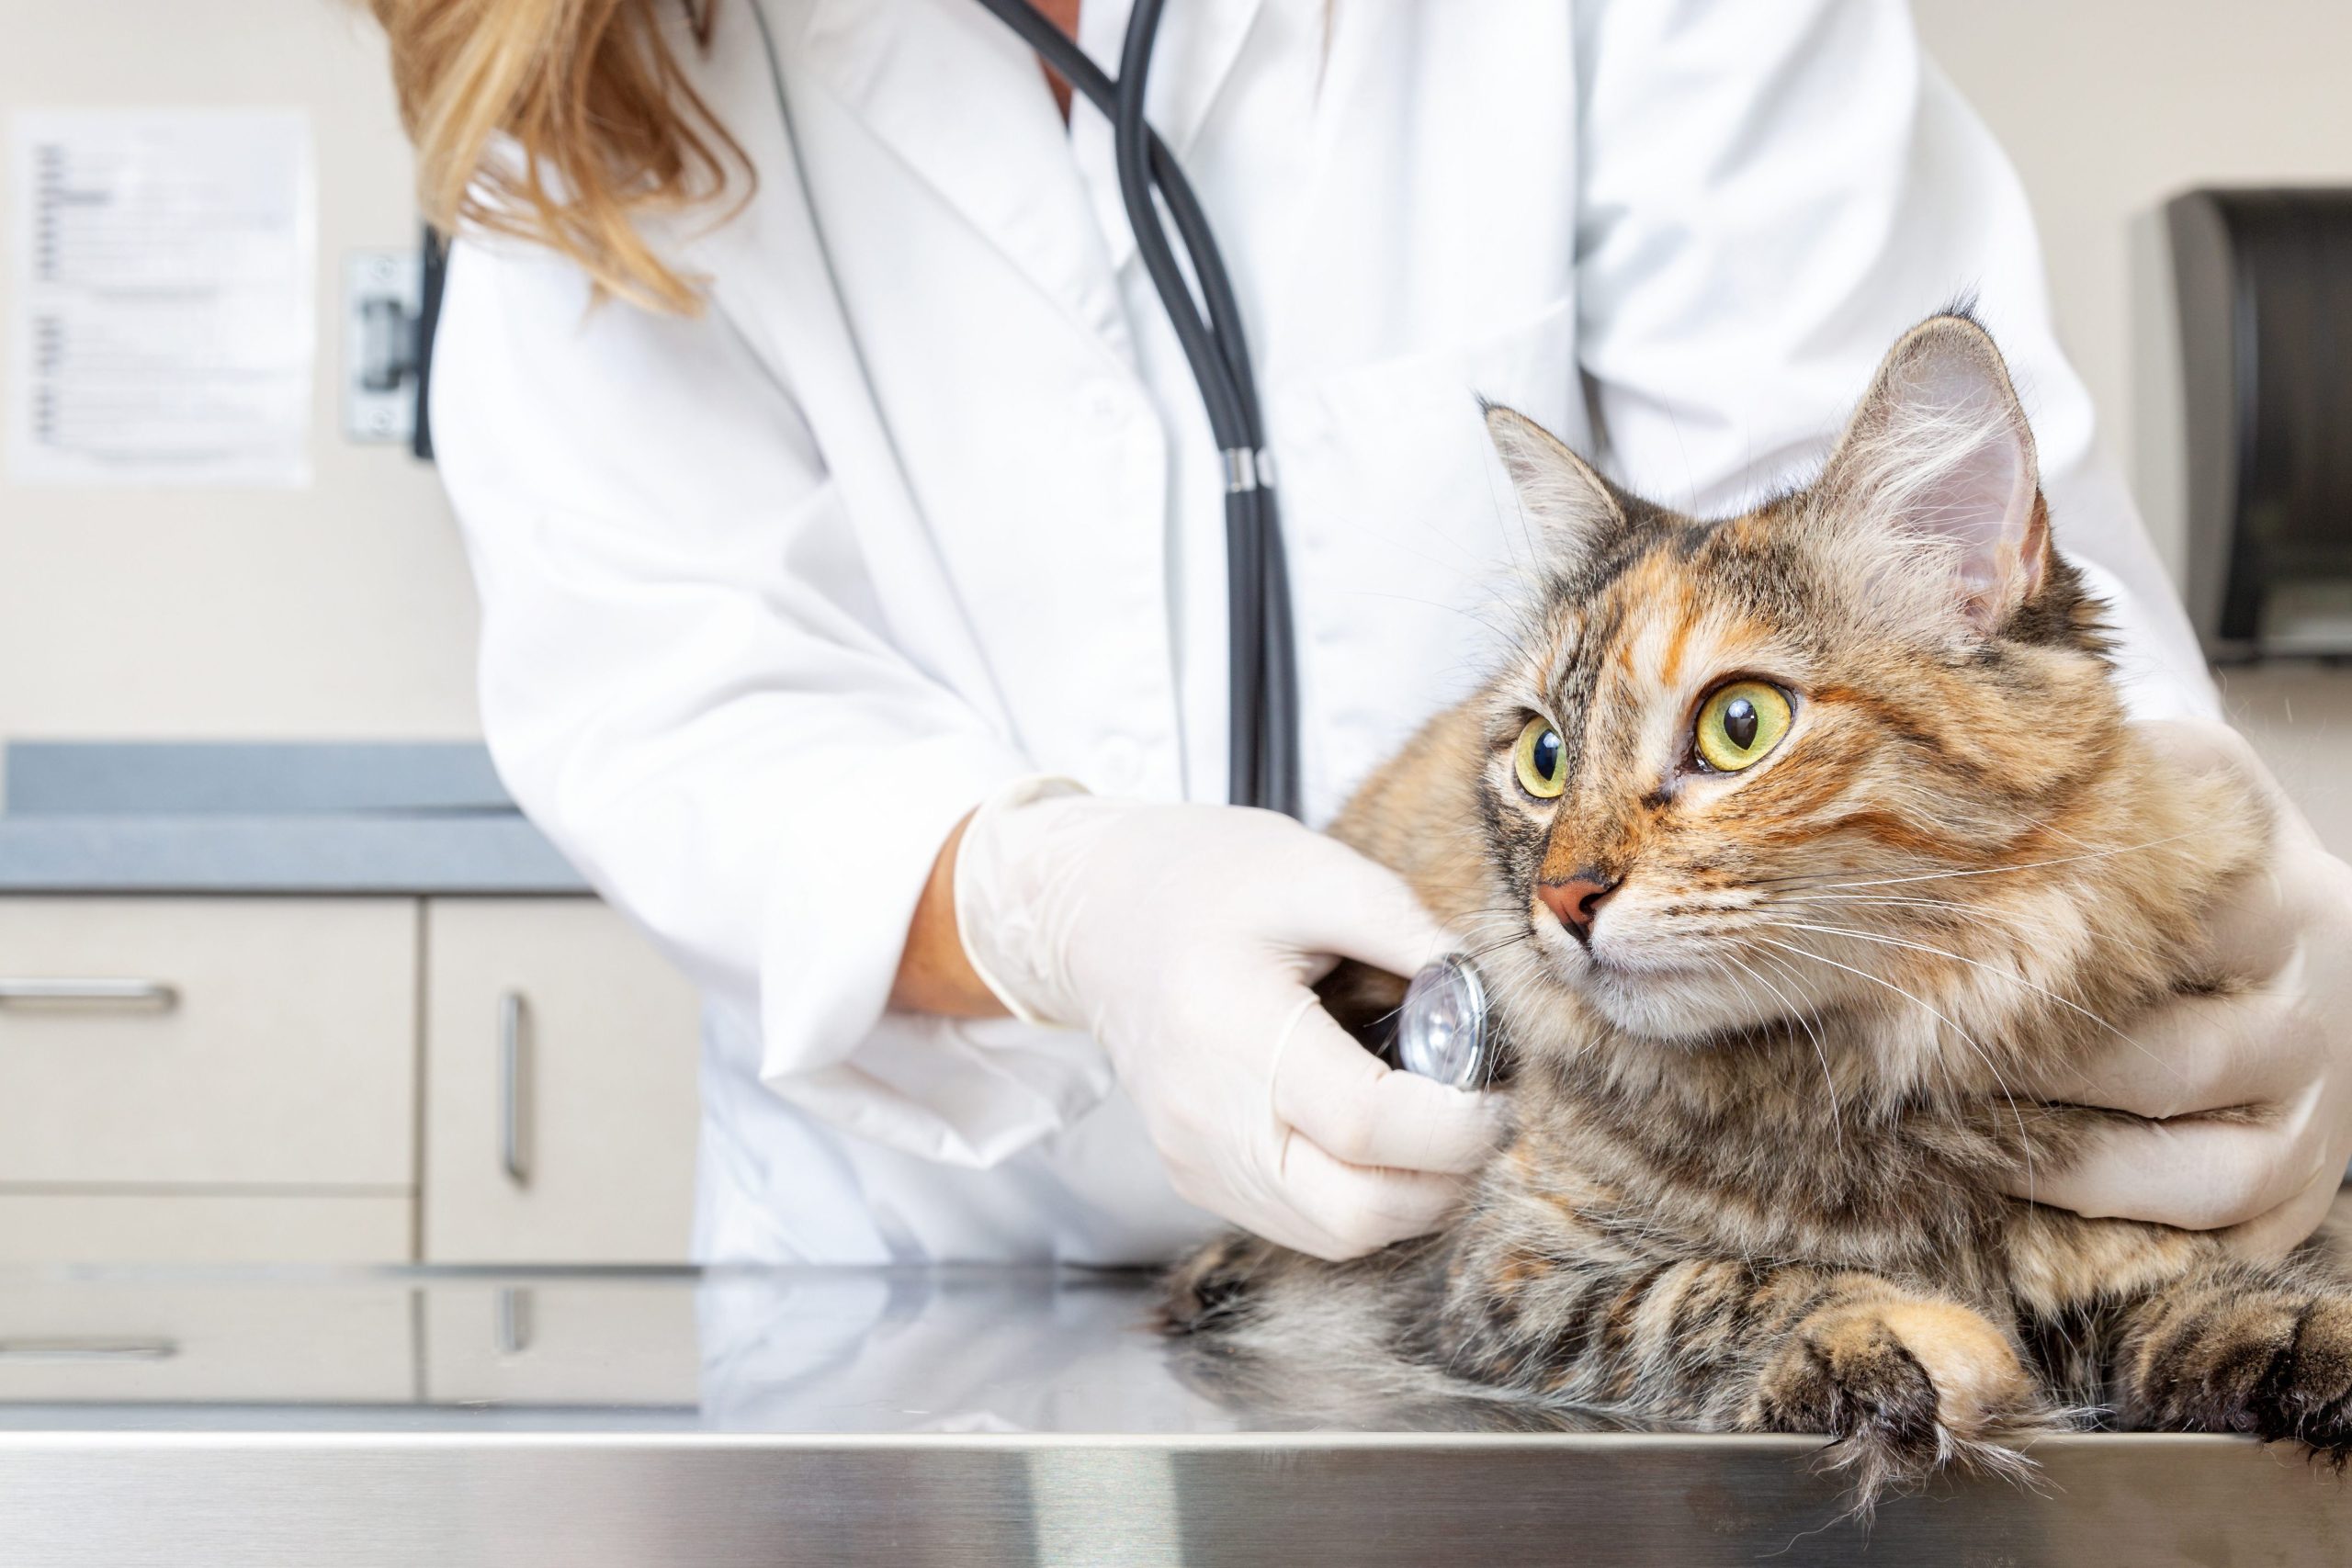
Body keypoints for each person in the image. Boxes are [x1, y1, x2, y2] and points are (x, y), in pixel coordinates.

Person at [377, 0, 2352, 1265]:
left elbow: (1885, 535)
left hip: (1614, 1248)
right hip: (941, 1278)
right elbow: (676, 702)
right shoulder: (575, 58)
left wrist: (2175, 887)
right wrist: (1060, 902)